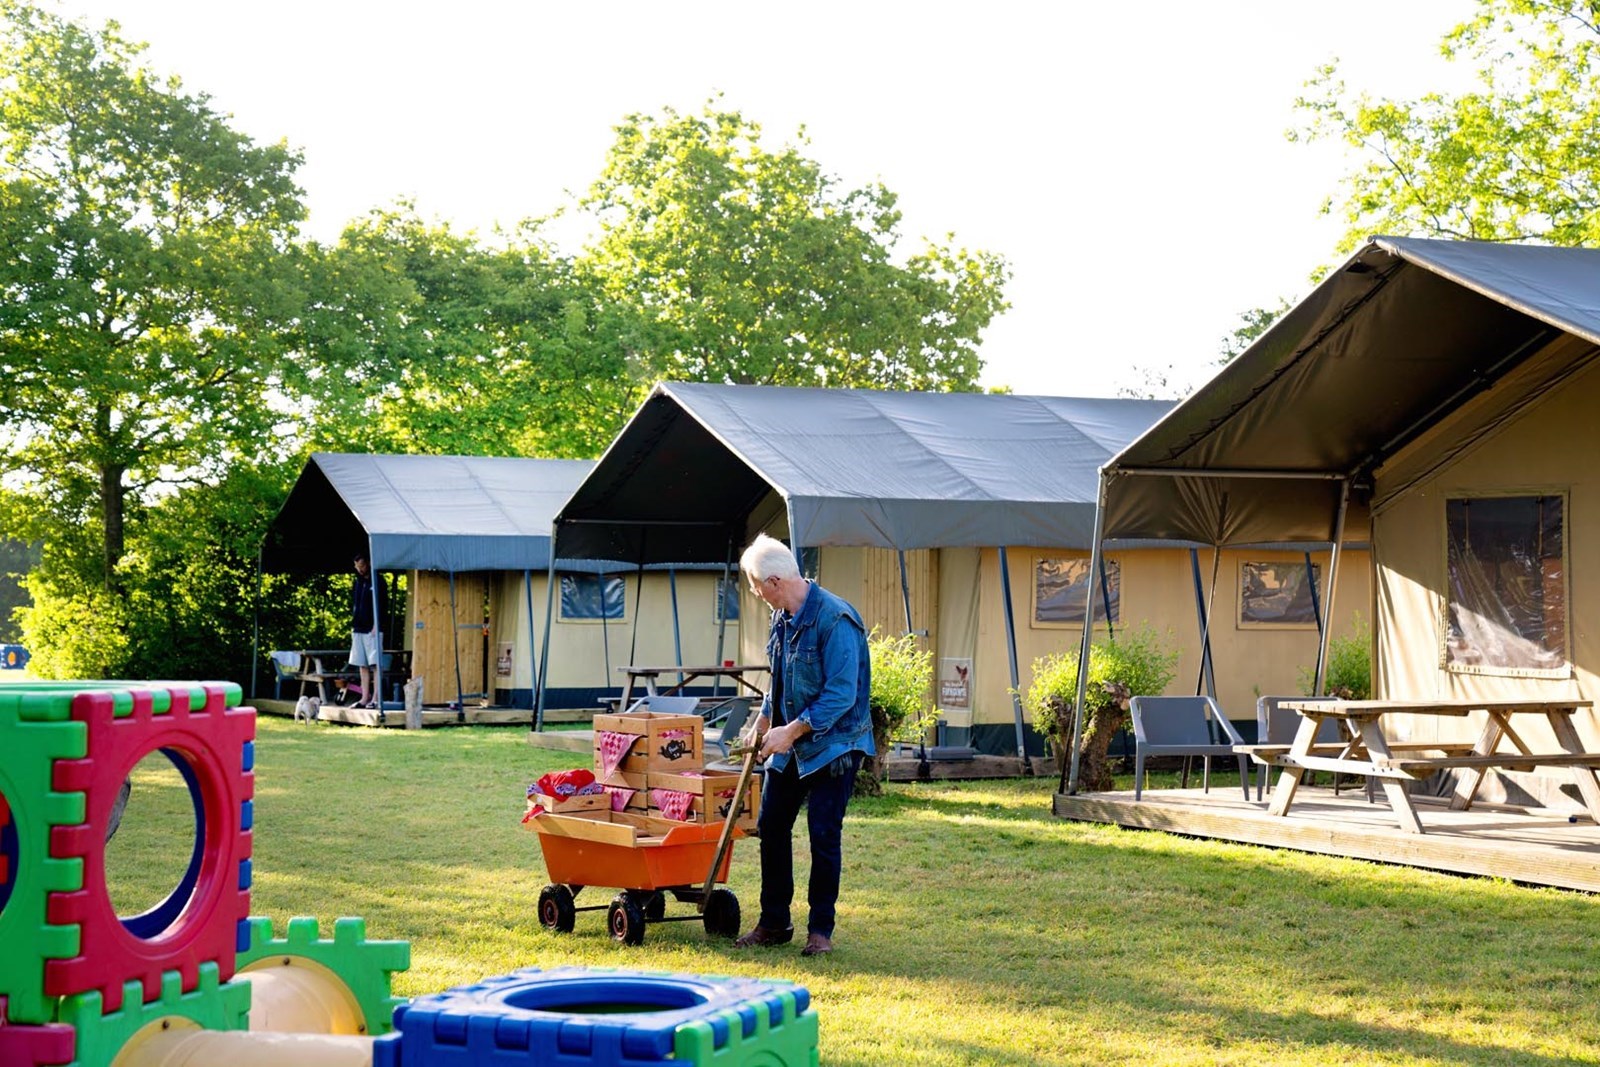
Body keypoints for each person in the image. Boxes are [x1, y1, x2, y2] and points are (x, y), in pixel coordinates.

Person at [733, 533, 874, 958]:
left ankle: (820, 932)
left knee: (822, 835)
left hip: (836, 746)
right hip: (791, 741)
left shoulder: (836, 619)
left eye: (756, 586)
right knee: (772, 826)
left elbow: (841, 695)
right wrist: (761, 725)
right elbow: (777, 684)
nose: (756, 594)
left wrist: (789, 732)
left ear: (773, 581)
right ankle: (774, 922)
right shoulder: (782, 618)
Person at [350, 552, 388, 709]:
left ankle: (376, 699)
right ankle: (364, 698)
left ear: (369, 563)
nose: (360, 569)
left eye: (362, 566)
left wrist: (377, 625)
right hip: (358, 628)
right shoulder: (357, 582)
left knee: (375, 665)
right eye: (357, 567)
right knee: (362, 665)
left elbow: (382, 605)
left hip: (373, 629)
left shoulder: (378, 581)